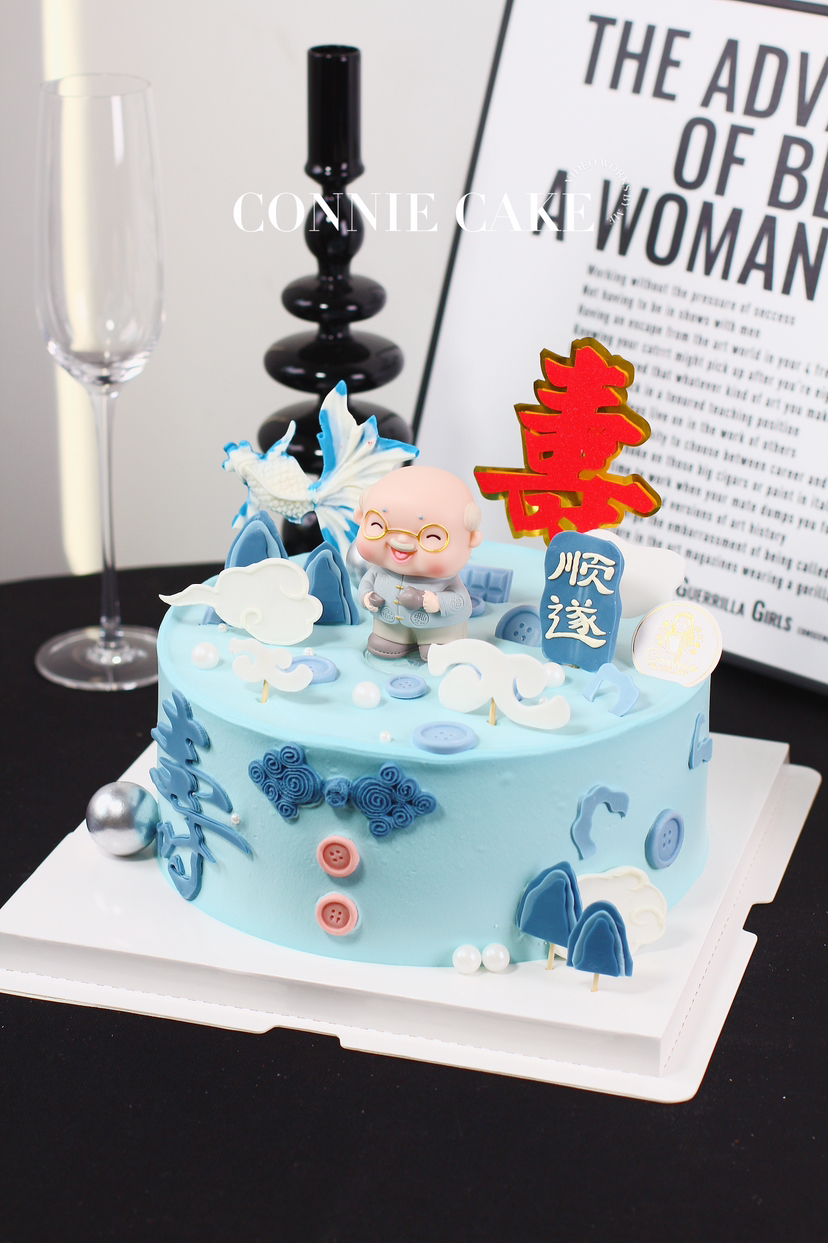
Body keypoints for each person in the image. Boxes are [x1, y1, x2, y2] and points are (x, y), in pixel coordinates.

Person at [354, 466, 483, 659]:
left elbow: (461, 600)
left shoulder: (447, 580)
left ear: (470, 539)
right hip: (389, 624)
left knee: (437, 651)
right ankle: (392, 638)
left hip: (438, 628)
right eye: (378, 525)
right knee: (384, 642)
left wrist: (435, 602)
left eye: (431, 537)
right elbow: (366, 584)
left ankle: (439, 642)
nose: (400, 542)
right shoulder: (379, 570)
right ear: (360, 518)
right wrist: (367, 597)